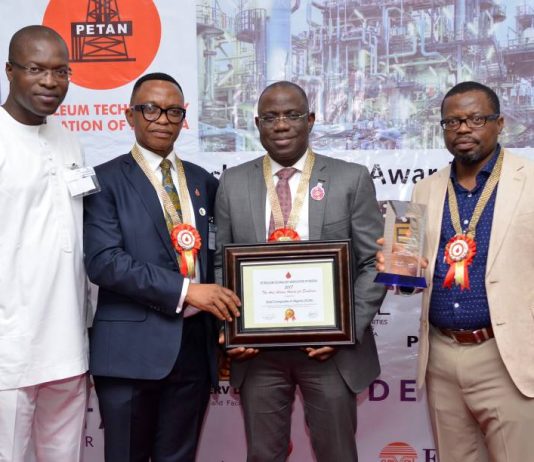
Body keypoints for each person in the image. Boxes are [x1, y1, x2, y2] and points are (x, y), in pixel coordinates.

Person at [215, 81, 386, 462]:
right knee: (263, 455)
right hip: (257, 353)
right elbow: (221, 265)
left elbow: (373, 263)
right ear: (257, 124)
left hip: (330, 353)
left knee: (337, 454)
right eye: (270, 117)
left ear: (310, 120)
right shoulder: (232, 183)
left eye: (292, 115)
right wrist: (229, 328)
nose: (281, 125)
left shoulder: (350, 178)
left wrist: (345, 330)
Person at [83, 72, 241, 462]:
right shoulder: (103, 181)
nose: (162, 119)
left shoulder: (204, 182)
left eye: (173, 111)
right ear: (130, 115)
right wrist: (187, 291)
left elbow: (218, 258)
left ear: (183, 118)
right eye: (150, 109)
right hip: (128, 353)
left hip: (194, 348)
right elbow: (104, 262)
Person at [377, 81, 534, 461]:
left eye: (475, 119)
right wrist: (400, 272)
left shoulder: (528, 180)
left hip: (506, 355)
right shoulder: (425, 190)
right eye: (452, 122)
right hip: (441, 356)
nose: (463, 129)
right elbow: (413, 282)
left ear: (500, 123)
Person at [0, 25, 89, 461]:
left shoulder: (68, 139)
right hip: (9, 350)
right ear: (10, 71)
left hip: (69, 345)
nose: (50, 82)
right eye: (36, 69)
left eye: (60, 71)